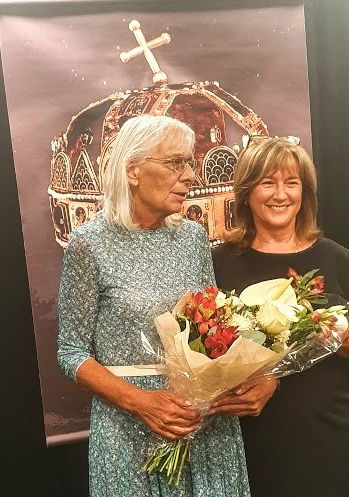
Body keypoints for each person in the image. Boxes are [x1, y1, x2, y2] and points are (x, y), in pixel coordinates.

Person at [57, 115, 251, 497]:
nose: (190, 176)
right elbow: (71, 353)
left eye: (189, 163)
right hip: (130, 429)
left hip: (203, 425)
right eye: (175, 163)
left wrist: (244, 380)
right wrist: (142, 403)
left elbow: (212, 327)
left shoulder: (194, 238)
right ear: (133, 170)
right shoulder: (88, 243)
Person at [210, 136, 349, 497]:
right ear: (247, 192)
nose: (281, 195)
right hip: (248, 432)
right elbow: (207, 345)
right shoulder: (219, 261)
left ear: (305, 192)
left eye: (292, 183)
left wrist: (343, 338)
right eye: (268, 182)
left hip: (324, 430)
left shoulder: (333, 256)